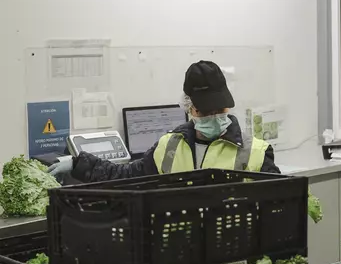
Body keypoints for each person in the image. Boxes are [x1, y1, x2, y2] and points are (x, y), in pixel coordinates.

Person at [48, 60, 279, 181]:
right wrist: (78, 164)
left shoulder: (256, 153)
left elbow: (278, 205)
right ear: (189, 108)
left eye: (220, 109)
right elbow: (125, 176)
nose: (214, 117)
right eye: (205, 111)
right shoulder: (169, 147)